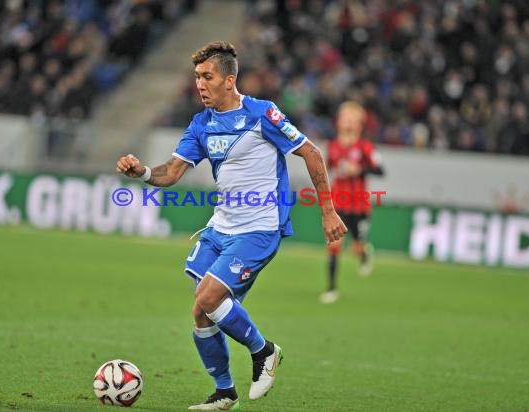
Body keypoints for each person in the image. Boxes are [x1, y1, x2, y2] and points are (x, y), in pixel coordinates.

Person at [116, 41, 346, 410]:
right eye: (196, 77)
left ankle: (265, 352)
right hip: (221, 227)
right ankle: (224, 393)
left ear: (229, 79)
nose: (200, 85)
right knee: (201, 311)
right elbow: (172, 172)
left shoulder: (261, 114)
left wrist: (328, 211)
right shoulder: (201, 124)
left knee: (208, 297)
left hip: (259, 228)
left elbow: (310, 152)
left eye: (207, 77)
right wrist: (141, 172)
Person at [320, 101, 384, 304]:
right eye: (344, 118)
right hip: (338, 203)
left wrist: (359, 169)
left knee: (357, 245)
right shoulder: (333, 146)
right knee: (334, 245)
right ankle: (331, 289)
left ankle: (364, 253)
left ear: (359, 124)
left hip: (359, 205)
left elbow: (380, 171)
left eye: (351, 119)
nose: (347, 123)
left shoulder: (365, 147)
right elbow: (327, 168)